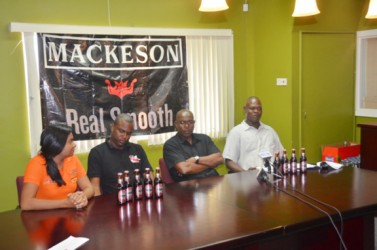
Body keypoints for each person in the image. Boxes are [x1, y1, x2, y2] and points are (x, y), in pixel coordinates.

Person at [21, 125, 94, 210]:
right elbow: (26, 203)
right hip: (43, 218)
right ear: (57, 144)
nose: (74, 145)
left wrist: (82, 196)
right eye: (70, 141)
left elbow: (90, 188)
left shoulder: (72, 159)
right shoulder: (36, 164)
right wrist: (65, 203)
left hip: (70, 216)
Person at [87, 113, 152, 196]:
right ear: (112, 127)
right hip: (113, 203)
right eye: (121, 131)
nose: (124, 136)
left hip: (139, 198)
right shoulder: (97, 153)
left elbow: (149, 177)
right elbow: (95, 188)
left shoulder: (137, 149)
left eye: (128, 133)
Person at [223, 96, 284, 172]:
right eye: (252, 108)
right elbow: (229, 162)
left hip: (269, 178)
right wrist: (246, 173)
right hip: (245, 180)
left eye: (259, 109)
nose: (256, 111)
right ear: (245, 109)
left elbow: (281, 156)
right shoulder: (236, 132)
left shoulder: (270, 131)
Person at [163, 109, 224, 182]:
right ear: (176, 124)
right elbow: (185, 169)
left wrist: (196, 159)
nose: (187, 126)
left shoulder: (204, 138)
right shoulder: (171, 144)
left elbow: (219, 159)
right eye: (182, 122)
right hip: (188, 187)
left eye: (190, 122)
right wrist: (211, 163)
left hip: (213, 182)